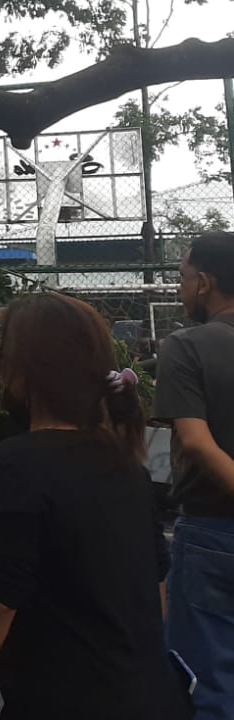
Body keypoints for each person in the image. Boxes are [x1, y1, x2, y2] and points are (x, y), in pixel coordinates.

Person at [0, 293, 190, 720]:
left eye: (4, 349)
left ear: (25, 369)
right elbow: (156, 587)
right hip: (153, 694)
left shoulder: (19, 462)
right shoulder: (126, 463)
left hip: (65, 700)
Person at [155, 231, 234, 718]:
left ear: (204, 282)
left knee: (205, 677)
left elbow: (197, 443)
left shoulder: (184, 347)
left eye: (183, 278)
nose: (180, 288)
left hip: (212, 530)